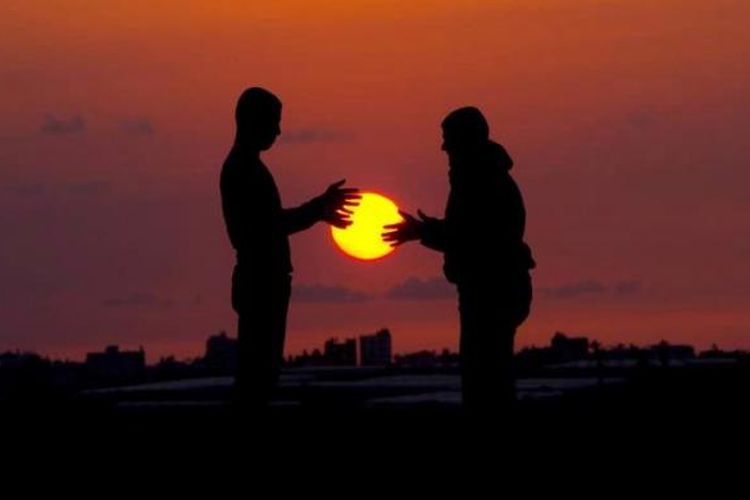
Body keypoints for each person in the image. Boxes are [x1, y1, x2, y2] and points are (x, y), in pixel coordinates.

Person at [382, 106, 535, 415]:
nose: (444, 148)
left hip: (491, 292)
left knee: (486, 385)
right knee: (487, 381)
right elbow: (469, 233)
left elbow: (476, 240)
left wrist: (424, 232)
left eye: (449, 139)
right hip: (490, 290)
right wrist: (427, 230)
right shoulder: (481, 179)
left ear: (467, 140)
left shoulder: (481, 182)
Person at [220, 87, 360, 411]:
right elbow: (267, 226)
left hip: (262, 281)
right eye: (274, 122)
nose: (279, 131)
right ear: (254, 121)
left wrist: (318, 210)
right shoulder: (243, 169)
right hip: (260, 283)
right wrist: (318, 209)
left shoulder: (247, 167)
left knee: (262, 375)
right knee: (258, 376)